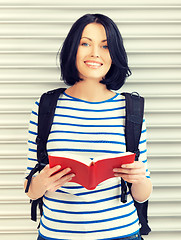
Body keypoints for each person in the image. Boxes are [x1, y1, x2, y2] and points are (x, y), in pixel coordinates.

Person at [24, 13, 152, 240]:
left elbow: (141, 196)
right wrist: (42, 182)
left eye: (105, 46)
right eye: (85, 43)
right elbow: (30, 189)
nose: (95, 53)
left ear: (115, 55)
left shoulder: (131, 108)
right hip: (56, 234)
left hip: (121, 233)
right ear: (73, 49)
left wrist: (140, 178)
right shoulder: (45, 106)